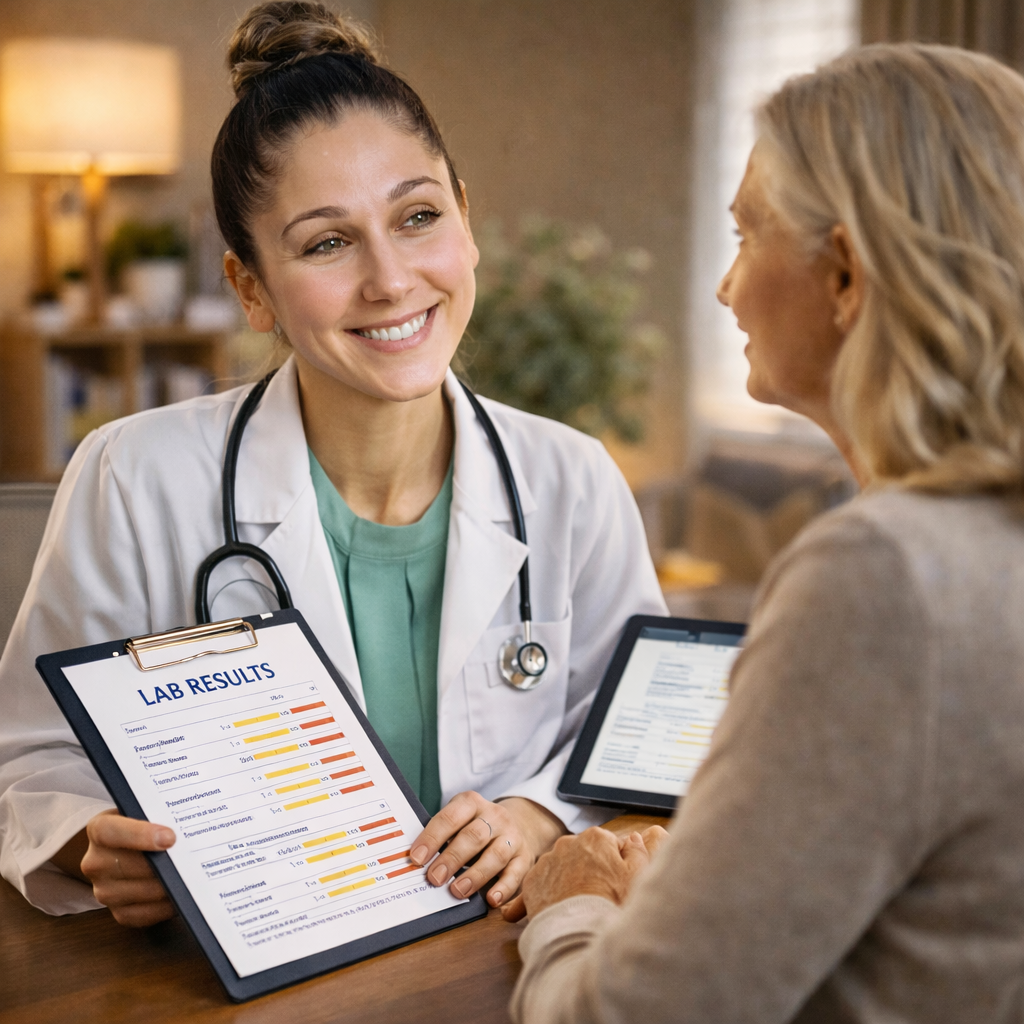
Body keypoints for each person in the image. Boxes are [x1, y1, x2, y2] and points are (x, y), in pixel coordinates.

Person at [0, 1, 665, 925]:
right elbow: (27, 759)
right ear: (250, 289)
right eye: (326, 242)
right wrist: (91, 838)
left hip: (510, 965)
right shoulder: (134, 478)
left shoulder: (573, 478)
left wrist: (535, 813)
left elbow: (637, 747)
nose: (390, 280)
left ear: (466, 221)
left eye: (419, 216)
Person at [507, 43, 1024, 1024]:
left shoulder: (884, 576)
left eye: (746, 235)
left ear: (844, 276)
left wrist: (569, 904)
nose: (724, 287)